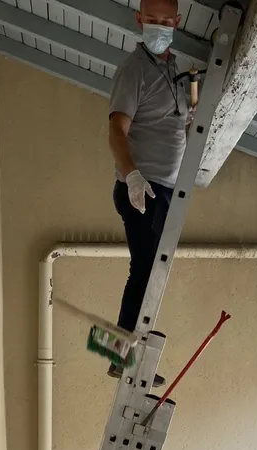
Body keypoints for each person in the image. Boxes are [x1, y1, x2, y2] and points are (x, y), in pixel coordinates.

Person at [107, 0, 188, 383]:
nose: (158, 27)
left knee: (151, 270)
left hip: (166, 189)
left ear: (177, 22)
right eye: (151, 20)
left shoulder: (172, 70)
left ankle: (123, 352)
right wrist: (133, 176)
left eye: (164, 21)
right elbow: (116, 132)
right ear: (139, 21)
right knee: (145, 269)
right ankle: (121, 354)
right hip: (143, 188)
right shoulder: (133, 70)